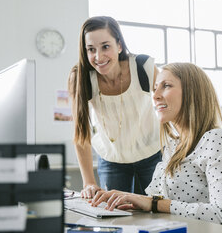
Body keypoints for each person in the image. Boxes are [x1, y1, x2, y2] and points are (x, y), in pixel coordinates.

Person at [91, 63, 222, 227]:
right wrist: (127, 199)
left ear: (192, 93)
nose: (155, 95)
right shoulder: (173, 146)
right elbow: (152, 200)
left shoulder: (216, 139)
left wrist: (156, 204)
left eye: (166, 86)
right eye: (155, 88)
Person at [68, 16, 161, 199]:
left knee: (156, 213)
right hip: (112, 162)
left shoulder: (143, 67)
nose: (98, 57)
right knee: (116, 218)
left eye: (105, 46)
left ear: (119, 45)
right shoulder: (81, 78)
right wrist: (88, 183)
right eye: (91, 49)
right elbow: (81, 133)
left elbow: (171, 107)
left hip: (153, 156)